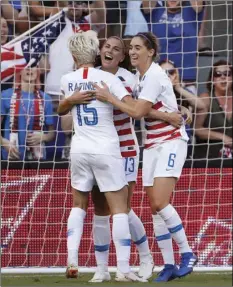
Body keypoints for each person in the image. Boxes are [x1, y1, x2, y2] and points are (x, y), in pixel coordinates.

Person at [94, 32, 198, 282]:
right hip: (151, 143)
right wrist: (173, 112)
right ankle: (169, 265)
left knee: (161, 202)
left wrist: (109, 97)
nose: (132, 51)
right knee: (154, 208)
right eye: (131, 48)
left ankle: (187, 253)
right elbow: (159, 106)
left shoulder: (153, 75)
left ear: (151, 51)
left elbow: (139, 111)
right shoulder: (139, 77)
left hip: (170, 141)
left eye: (138, 47)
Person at [57, 30, 147, 282]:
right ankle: (124, 269)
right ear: (96, 52)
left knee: (80, 206)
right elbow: (134, 108)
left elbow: (60, 108)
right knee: (119, 209)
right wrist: (111, 97)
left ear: (74, 54)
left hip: (79, 150)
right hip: (107, 148)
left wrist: (70, 100)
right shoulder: (107, 79)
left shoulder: (67, 79)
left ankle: (73, 259)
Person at [45, 1, 105, 104]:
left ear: (85, 7)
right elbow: (59, 3)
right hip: (55, 87)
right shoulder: (56, 19)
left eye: (78, 2)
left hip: (80, 89)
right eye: (70, 2)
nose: (74, 5)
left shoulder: (88, 22)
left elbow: (101, 13)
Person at [142, 0, 205, 93]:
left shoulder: (191, 12)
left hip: (186, 79)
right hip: (158, 78)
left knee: (188, 107)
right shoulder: (155, 12)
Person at [1, 67, 55, 161]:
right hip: (11, 157)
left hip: (37, 160)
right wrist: (3, 142)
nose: (29, 69)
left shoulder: (46, 99)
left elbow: (52, 133)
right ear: (19, 71)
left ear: (38, 71)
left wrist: (44, 137)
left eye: (33, 66)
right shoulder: (5, 95)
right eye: (25, 66)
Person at [160, 59, 206, 157]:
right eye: (164, 72)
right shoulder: (153, 92)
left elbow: (201, 106)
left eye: (171, 72)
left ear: (176, 74)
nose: (168, 75)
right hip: (160, 144)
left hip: (183, 145)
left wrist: (178, 88)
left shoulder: (183, 92)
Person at [194, 60, 232, 160]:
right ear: (212, 79)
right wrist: (223, 137)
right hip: (208, 159)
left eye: (227, 73)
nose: (223, 77)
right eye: (218, 74)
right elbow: (196, 129)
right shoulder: (206, 99)